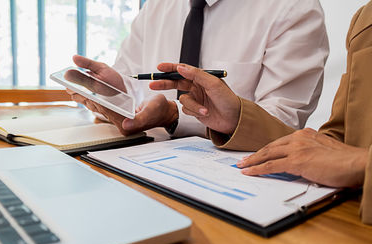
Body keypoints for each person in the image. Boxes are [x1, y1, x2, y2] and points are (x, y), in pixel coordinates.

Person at [153, 1, 372, 224]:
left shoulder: (295, 8)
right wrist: (238, 118)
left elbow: (345, 154)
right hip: (345, 217)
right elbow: (335, 144)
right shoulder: (365, 21)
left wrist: (362, 163)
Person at [68, 0, 329, 140]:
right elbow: (133, 83)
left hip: (237, 182)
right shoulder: (157, 6)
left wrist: (174, 116)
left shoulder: (294, 7)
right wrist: (116, 91)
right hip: (143, 165)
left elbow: (283, 123)